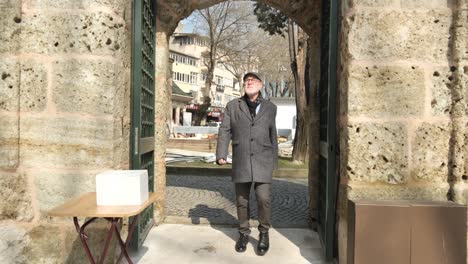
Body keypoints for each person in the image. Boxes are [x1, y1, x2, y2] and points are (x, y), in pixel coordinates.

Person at [216, 72, 278, 256]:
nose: (249, 83)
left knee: (263, 199)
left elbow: (272, 134)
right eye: (246, 81)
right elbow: (224, 130)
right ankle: (243, 233)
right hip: (241, 159)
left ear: (260, 84)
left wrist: (274, 160)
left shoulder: (270, 107)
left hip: (263, 159)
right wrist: (221, 153)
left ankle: (264, 233)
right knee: (242, 201)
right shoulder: (233, 106)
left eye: (253, 80)